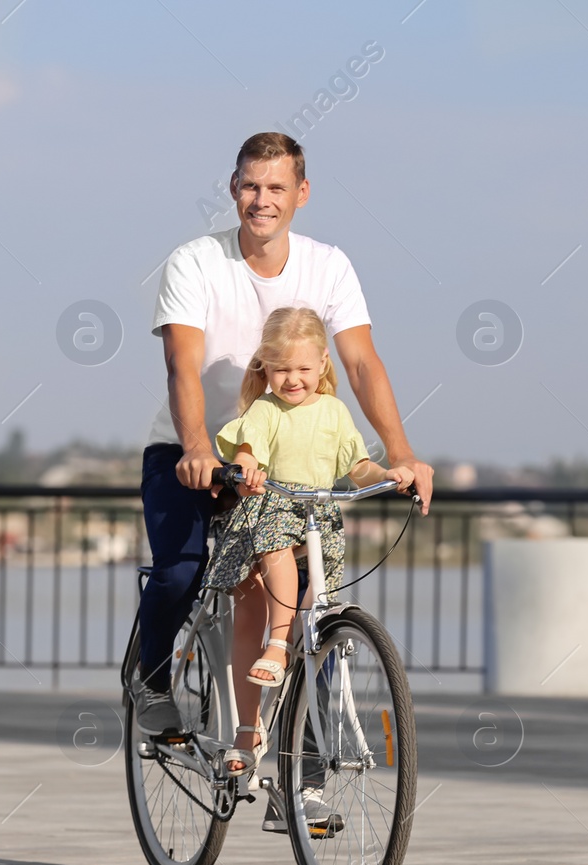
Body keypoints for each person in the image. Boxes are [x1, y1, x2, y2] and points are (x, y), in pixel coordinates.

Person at [133, 131, 434, 809]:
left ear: (301, 194)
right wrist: (197, 450)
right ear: (233, 188)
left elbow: (360, 363)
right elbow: (183, 366)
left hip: (291, 470)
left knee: (298, 601)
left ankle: (292, 760)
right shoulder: (195, 261)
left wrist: (401, 454)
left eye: (275, 188)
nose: (260, 200)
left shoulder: (328, 266)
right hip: (196, 453)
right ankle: (151, 678)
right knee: (181, 570)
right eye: (248, 185)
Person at [200, 307, 414, 776]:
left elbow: (356, 465)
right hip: (267, 510)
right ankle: (251, 716)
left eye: (302, 369)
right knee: (254, 611)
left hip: (318, 520)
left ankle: (294, 697)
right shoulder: (264, 410)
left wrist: (388, 474)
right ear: (264, 369)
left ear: (322, 363)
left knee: (314, 617)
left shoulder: (334, 412)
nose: (292, 380)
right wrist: (247, 467)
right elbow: (246, 448)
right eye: (280, 370)